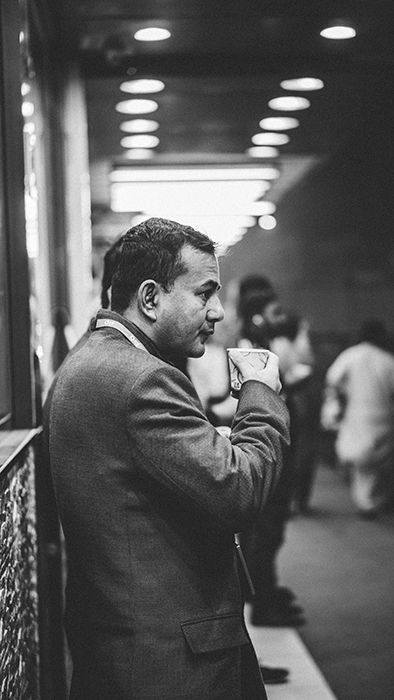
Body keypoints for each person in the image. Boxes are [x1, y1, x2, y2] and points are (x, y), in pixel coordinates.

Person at [44, 217, 290, 700]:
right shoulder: (144, 380)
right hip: (170, 660)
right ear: (151, 298)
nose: (217, 311)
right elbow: (239, 491)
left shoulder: (90, 359)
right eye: (204, 293)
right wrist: (261, 396)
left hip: (124, 641)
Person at [324, 319, 394, 517]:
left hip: (357, 414)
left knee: (360, 462)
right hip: (384, 416)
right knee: (377, 463)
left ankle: (366, 502)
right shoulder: (387, 359)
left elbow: (332, 378)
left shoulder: (351, 355)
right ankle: (370, 501)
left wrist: (342, 395)